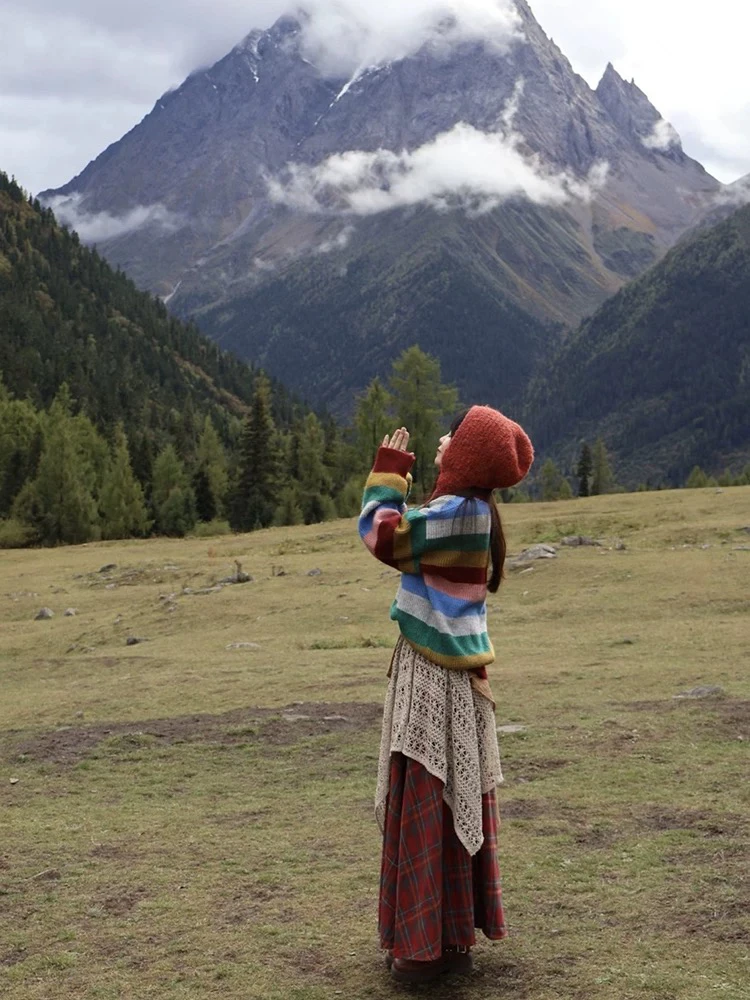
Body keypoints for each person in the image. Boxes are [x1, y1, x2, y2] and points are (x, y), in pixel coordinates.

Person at [358, 405, 534, 984]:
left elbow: (384, 535)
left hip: (432, 674)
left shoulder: (455, 514)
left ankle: (419, 947)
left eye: (451, 435)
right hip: (457, 677)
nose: (441, 440)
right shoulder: (473, 511)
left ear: (467, 452)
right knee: (448, 793)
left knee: (426, 792)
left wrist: (388, 473)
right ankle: (450, 937)